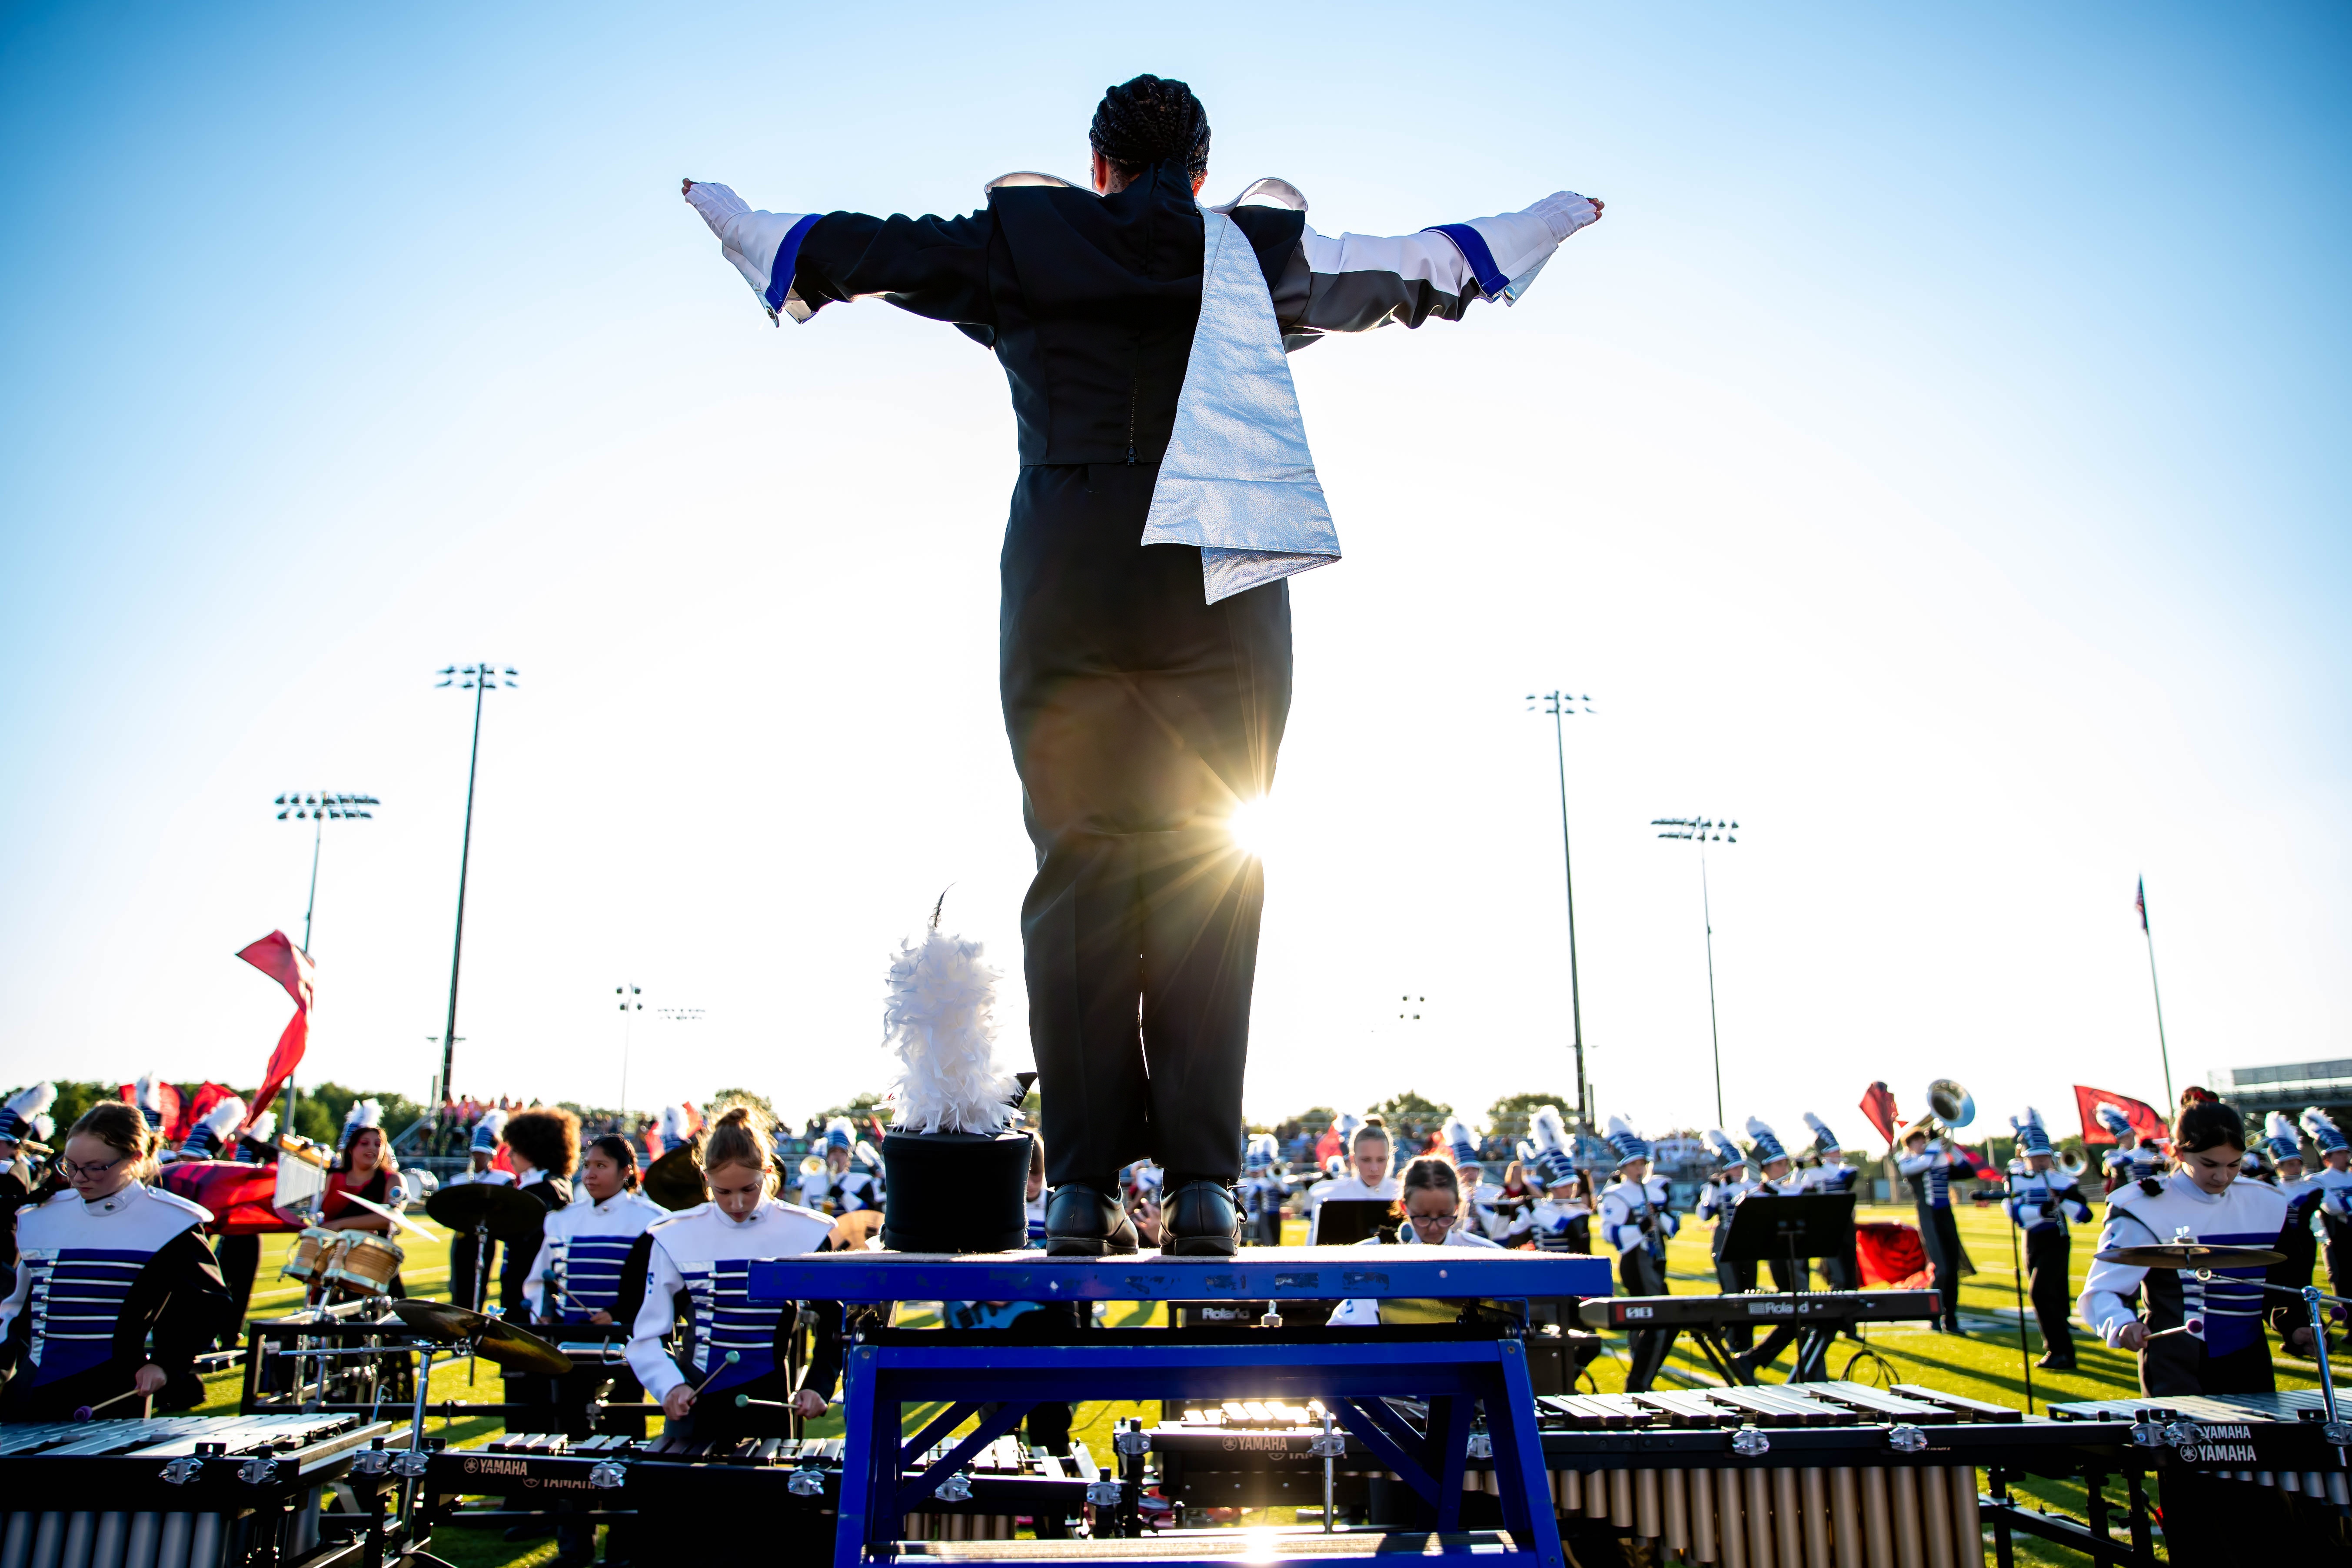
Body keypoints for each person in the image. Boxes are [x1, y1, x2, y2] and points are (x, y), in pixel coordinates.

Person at [682, 75, 1603, 1255]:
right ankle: (1207, 1186)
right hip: (1217, 587)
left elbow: (869, 251)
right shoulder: (1245, 251)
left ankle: (1076, 1185)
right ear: (1202, 171)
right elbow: (1402, 270)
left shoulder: (1028, 239)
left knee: (1076, 873)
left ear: (1099, 163)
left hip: (1064, 591)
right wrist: (1531, 230)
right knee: (1212, 874)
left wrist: (759, 234)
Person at [0, 1101, 232, 1421]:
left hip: (113, 1391)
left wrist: (166, 1362)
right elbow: (12, 1308)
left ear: (135, 1157)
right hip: (31, 1387)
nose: (79, 1178)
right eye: (70, 1165)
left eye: (95, 1167)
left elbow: (209, 1303)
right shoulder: (40, 1216)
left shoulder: (170, 1221)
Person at [2080, 1090, 2312, 1405]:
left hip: (2249, 1362)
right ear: (2177, 1151)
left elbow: (2283, 1283)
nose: (2221, 1176)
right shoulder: (2144, 1205)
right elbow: (2103, 1290)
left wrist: (2295, 1326)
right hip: (2176, 1363)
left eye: (2233, 1164)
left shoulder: (2266, 1202)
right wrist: (2120, 1324)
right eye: (2208, 1164)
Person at [627, 1104, 840, 1440]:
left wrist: (818, 1386)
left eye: (748, 1189)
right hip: (695, 1406)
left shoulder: (804, 1233)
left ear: (767, 1172)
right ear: (706, 1176)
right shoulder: (675, 1235)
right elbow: (646, 1336)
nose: (737, 1204)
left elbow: (832, 1323)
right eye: (723, 1192)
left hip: (769, 1407)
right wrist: (669, 1386)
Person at [1327, 1155, 1504, 1325]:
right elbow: (1343, 1326)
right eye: (1423, 1216)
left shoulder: (1486, 1256)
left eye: (1444, 1216)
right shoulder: (1370, 1258)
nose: (1434, 1228)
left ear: (1457, 1206)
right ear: (1404, 1206)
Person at [2003, 1108, 2091, 1371]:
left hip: (2056, 1239)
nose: (2040, 1163)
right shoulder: (2017, 1181)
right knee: (2044, 1294)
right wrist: (2040, 1210)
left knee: (2041, 1293)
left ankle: (2062, 1351)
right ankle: (2054, 1347)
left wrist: (2063, 1201)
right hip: (2032, 1240)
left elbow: (2085, 1215)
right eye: (2035, 1158)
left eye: (2044, 1157)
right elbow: (2013, 1212)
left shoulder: (2063, 1181)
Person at [1597, 1117, 1677, 1392]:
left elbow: (1673, 1228)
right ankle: (1638, 1382)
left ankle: (1644, 1377)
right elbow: (1612, 1236)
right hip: (1635, 1261)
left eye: (1642, 1163)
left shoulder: (1655, 1191)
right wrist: (1641, 1226)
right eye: (1633, 1164)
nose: (1639, 1169)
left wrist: (1661, 1215)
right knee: (1655, 1321)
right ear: (1623, 1167)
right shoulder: (1616, 1195)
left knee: (1667, 1321)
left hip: (1657, 1260)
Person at [498, 1108, 579, 1315]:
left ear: (532, 1149)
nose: (510, 1154)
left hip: (532, 1291)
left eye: (515, 1148)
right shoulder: (554, 1183)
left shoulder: (541, 1190)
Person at [1897, 1119, 1973, 1334]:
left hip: (1945, 1215)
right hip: (1928, 1218)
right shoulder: (1907, 1162)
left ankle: (1952, 1318)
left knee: (1953, 1268)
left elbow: (1967, 1170)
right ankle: (1934, 1315)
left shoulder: (1936, 1158)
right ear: (1909, 1146)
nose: (1922, 1144)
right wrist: (1933, 1149)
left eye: (1924, 1140)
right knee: (1942, 1269)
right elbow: (1921, 1164)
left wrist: (1951, 1148)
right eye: (1917, 1142)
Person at [1694, 1130, 1758, 1349]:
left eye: (1741, 1167)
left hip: (1748, 1247)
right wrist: (1713, 1194)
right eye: (1735, 1167)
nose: (1739, 1171)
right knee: (1732, 1294)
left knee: (1749, 1294)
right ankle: (1732, 1340)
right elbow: (1704, 1215)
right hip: (1724, 1248)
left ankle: (1746, 1342)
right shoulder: (1715, 1189)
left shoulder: (1751, 1188)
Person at [446, 1109, 512, 1312]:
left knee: (479, 1285)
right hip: (461, 1239)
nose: (478, 1157)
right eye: (476, 1153)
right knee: (458, 1287)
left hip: (485, 1239)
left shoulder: (502, 1180)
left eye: (482, 1153)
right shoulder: (459, 1180)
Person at [1306, 1115, 1399, 1241]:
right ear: (1353, 1159)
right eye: (1366, 1160)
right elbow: (1313, 1248)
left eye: (1380, 1160)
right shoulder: (1328, 1196)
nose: (1374, 1168)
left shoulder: (1402, 1195)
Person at [1799, 1112, 1861, 1290]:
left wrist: (1824, 1166)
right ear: (1826, 1153)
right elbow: (1801, 1193)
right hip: (1827, 1227)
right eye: (1834, 1151)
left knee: (1850, 1271)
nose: (1839, 1153)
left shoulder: (1846, 1170)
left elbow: (1844, 1178)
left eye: (1838, 1150)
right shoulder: (1814, 1174)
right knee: (1837, 1274)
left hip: (1846, 1225)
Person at [2301, 1106, 2352, 1305]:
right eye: (2339, 1153)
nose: (2345, 1157)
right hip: (2336, 1238)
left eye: (2346, 1152)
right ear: (2327, 1157)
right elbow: (2333, 1206)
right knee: (2341, 1280)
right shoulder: (2316, 1180)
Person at [797, 1118, 883, 1215]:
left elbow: (868, 1214)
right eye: (833, 1152)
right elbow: (804, 1213)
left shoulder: (863, 1182)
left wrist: (844, 1195)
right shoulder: (811, 1183)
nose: (837, 1156)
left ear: (848, 1157)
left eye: (842, 1152)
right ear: (827, 1155)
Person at [1240, 1132, 1285, 1246]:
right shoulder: (1252, 1183)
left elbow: (1287, 1192)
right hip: (1253, 1215)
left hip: (1272, 1215)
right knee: (1248, 1241)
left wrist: (1277, 1182)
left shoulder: (1272, 1182)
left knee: (1272, 1242)